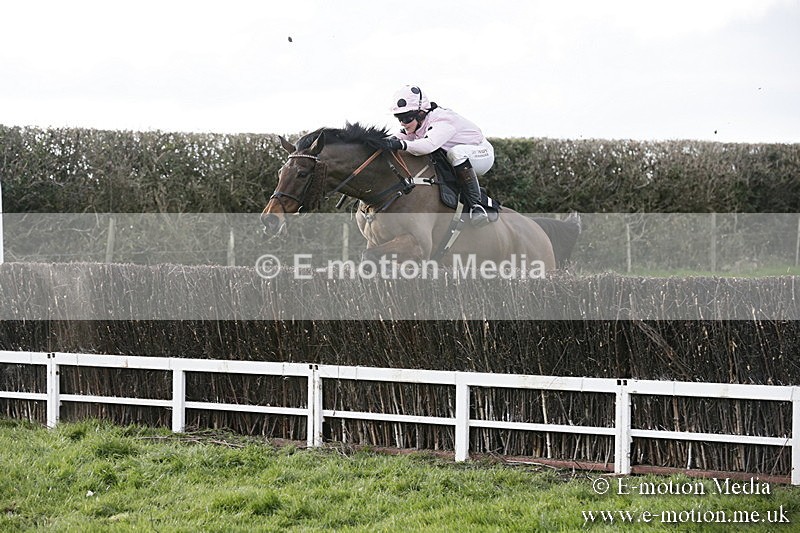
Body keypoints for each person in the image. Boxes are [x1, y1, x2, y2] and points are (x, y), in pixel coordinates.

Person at [382, 85, 494, 227]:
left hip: (482, 154)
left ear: (421, 113)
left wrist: (400, 144)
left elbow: (427, 146)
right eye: (399, 118)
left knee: (456, 153)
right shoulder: (418, 123)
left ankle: (476, 206)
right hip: (460, 157)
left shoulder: (442, 119)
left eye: (407, 118)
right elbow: (396, 139)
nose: (403, 123)